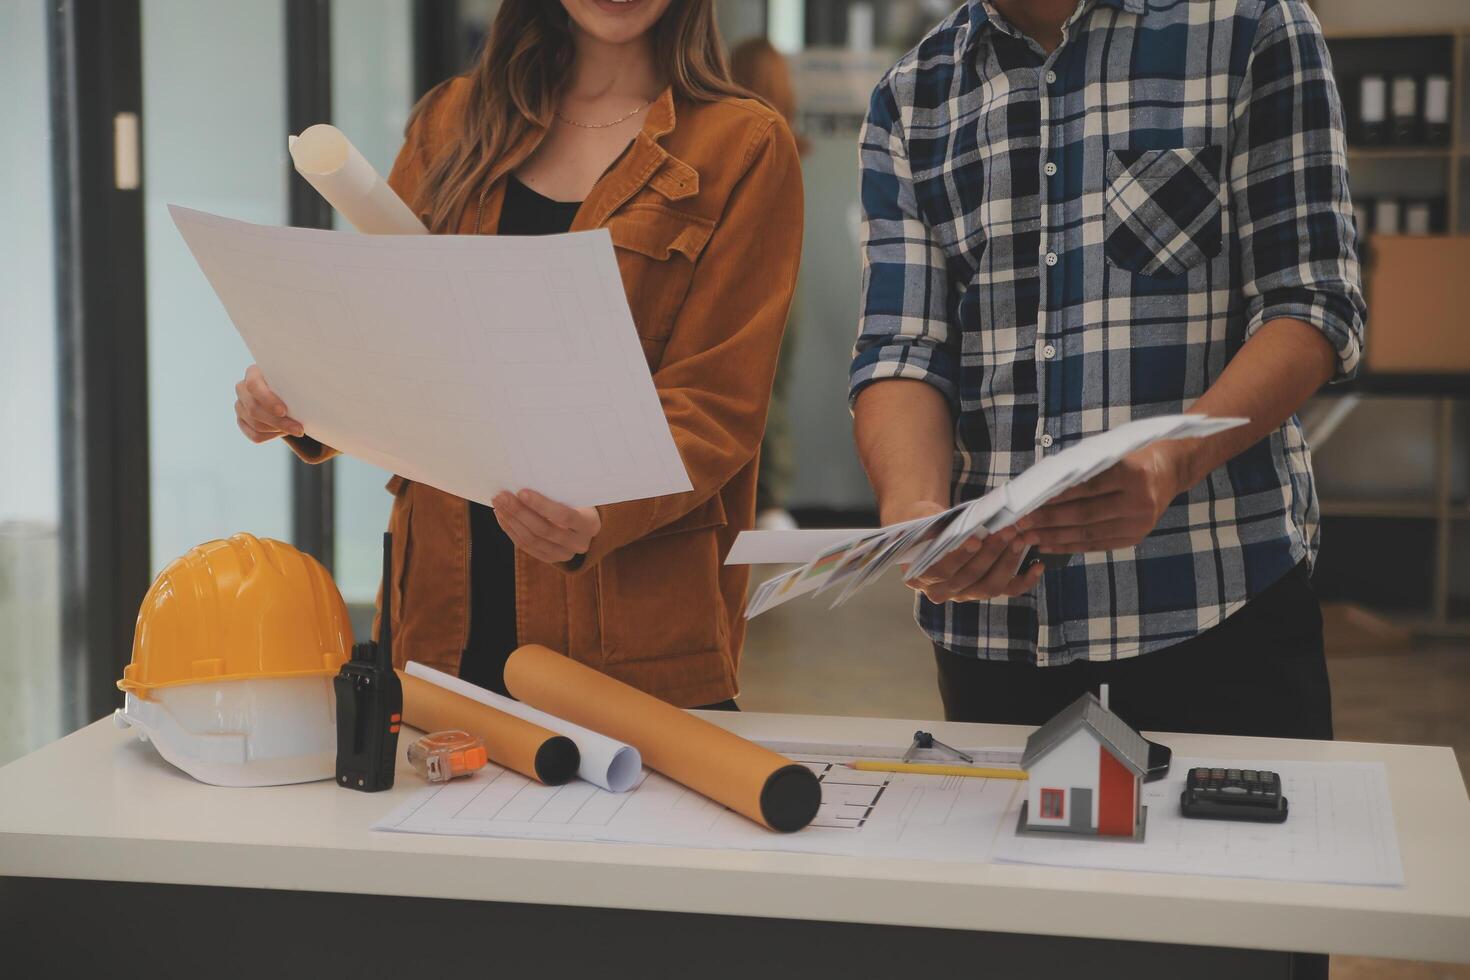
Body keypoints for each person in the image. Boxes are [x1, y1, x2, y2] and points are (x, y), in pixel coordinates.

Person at [234, 0, 803, 709]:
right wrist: (298, 395)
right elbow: (381, 332)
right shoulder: (451, 122)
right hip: (440, 623)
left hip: (629, 637)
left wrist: (599, 510)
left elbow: (718, 401)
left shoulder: (740, 145)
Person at [852, 0, 1363, 740]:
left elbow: (1311, 306)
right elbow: (902, 352)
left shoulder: (1252, 27)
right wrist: (915, 515)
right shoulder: (912, 95)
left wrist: (1168, 462)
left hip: (1213, 609)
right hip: (995, 640)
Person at [729, 37, 806, 532]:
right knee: (772, 385)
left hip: (745, 278)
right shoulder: (785, 144)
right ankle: (770, 498)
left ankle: (766, 499)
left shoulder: (739, 138)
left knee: (752, 385)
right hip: (785, 276)